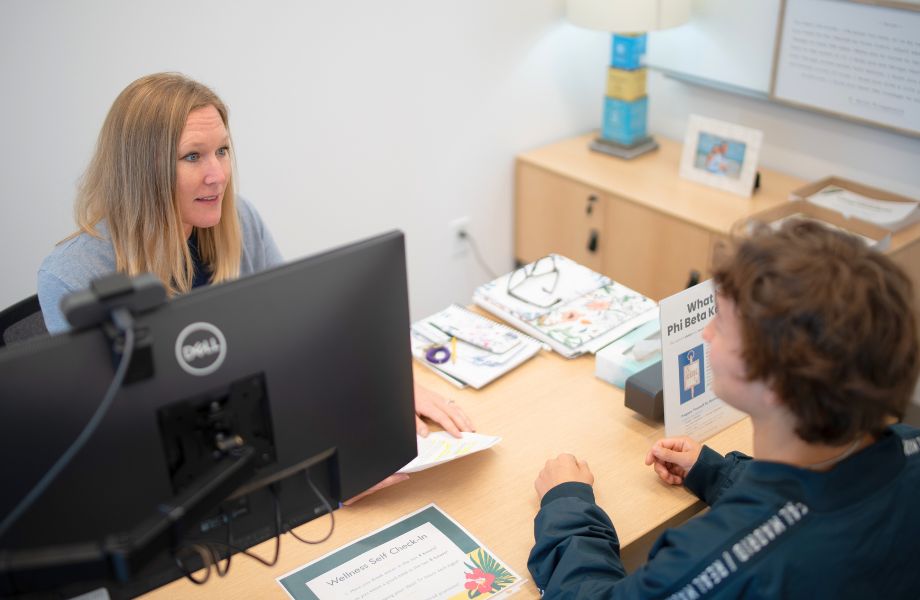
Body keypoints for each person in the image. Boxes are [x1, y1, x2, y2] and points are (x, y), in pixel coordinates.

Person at [36, 72, 473, 468]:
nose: (217, 175)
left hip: (257, 438)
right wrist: (316, 459)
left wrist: (386, 385)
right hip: (181, 473)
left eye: (222, 151)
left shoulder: (238, 220)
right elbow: (123, 442)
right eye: (192, 156)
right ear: (140, 169)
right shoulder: (73, 277)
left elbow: (297, 334)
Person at [528, 219, 920, 598]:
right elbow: (823, 494)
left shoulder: (718, 558)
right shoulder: (907, 447)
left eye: (721, 323)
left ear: (774, 381)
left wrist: (567, 506)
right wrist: (716, 472)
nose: (706, 332)